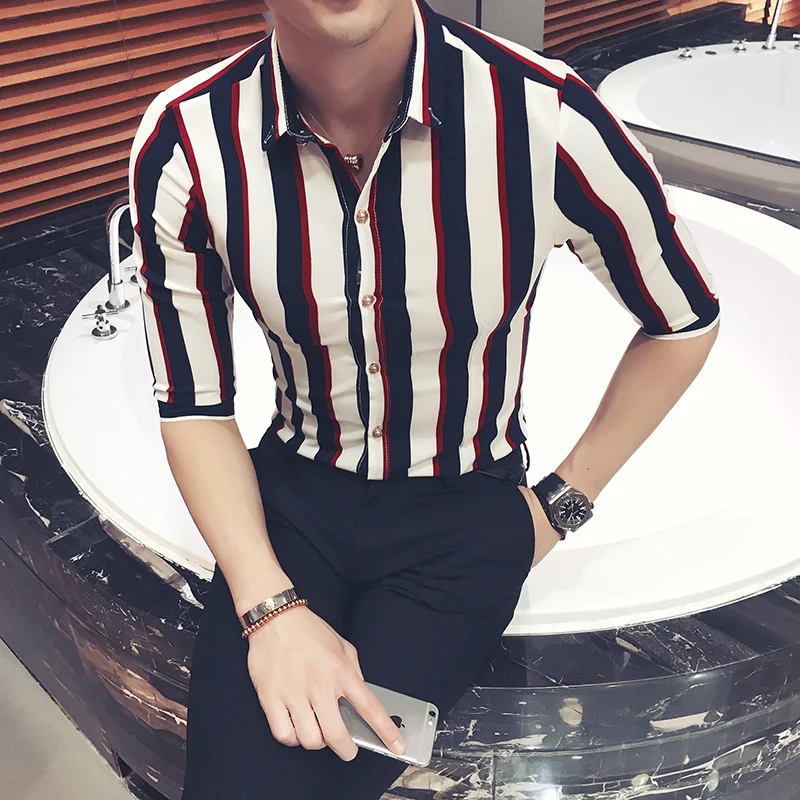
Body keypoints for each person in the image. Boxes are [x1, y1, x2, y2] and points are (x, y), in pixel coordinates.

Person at [129, 0, 720, 797]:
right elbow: (193, 403)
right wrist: (270, 610)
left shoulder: (545, 115)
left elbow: (684, 320)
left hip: (464, 517)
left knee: (328, 778)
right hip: (292, 505)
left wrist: (560, 505)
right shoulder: (187, 139)